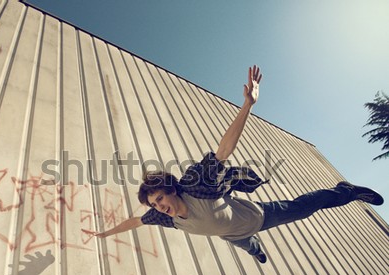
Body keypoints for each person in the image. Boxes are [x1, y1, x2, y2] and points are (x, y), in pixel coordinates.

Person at [95, 66, 384, 264]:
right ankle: (255, 248)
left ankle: (344, 191)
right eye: (154, 205)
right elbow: (135, 221)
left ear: (171, 189)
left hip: (259, 217)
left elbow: (223, 150)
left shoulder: (196, 185)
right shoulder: (166, 218)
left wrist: (247, 105)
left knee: (304, 208)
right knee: (246, 244)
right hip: (233, 233)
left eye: (159, 199)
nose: (159, 206)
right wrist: (105, 234)